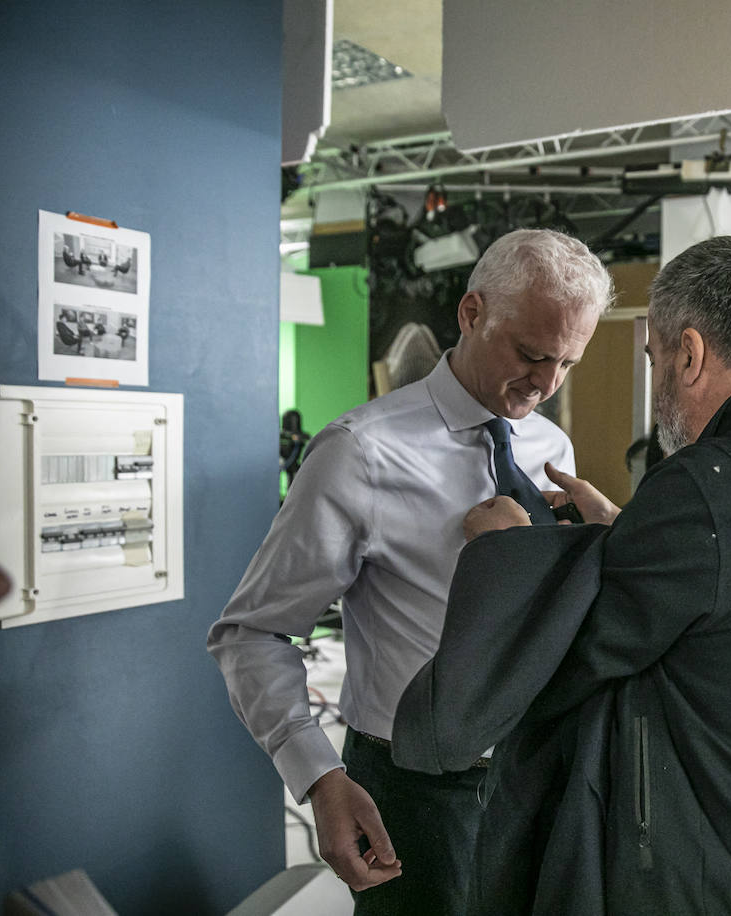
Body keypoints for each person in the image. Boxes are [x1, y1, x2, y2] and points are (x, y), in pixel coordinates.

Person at [391, 235, 731, 914]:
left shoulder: (708, 484)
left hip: (721, 879)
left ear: (688, 354)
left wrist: (510, 552)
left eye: (655, 360)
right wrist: (622, 537)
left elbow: (567, 658)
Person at [207, 228, 613, 913]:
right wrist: (318, 776)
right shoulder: (360, 452)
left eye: (568, 364)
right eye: (531, 354)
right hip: (417, 791)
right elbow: (251, 633)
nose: (546, 384)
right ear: (472, 313)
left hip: (541, 773)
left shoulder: (550, 444)